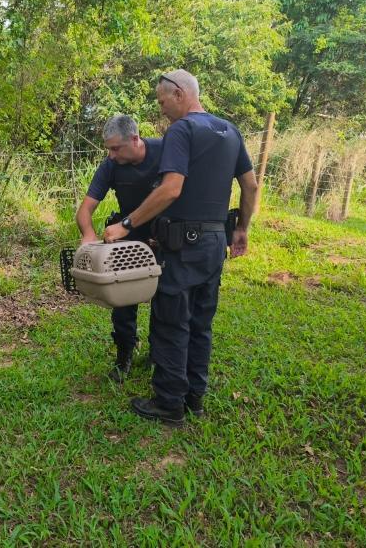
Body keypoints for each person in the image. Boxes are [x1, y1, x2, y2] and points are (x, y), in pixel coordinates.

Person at [103, 69, 257, 426]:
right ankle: (194, 399)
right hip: (217, 240)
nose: (161, 110)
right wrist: (243, 228)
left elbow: (171, 189)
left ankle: (169, 403)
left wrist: (128, 224)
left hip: (183, 243)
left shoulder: (182, 131)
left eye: (162, 101)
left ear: (179, 93)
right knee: (201, 323)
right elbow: (250, 186)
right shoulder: (230, 131)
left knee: (171, 322)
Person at [76, 114, 163, 383]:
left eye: (115, 148)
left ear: (135, 139)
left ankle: (158, 354)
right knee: (123, 298)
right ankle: (125, 351)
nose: (111, 155)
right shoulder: (110, 166)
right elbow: (85, 209)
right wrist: (88, 234)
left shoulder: (165, 152)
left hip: (164, 234)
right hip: (127, 235)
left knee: (166, 298)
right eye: (108, 149)